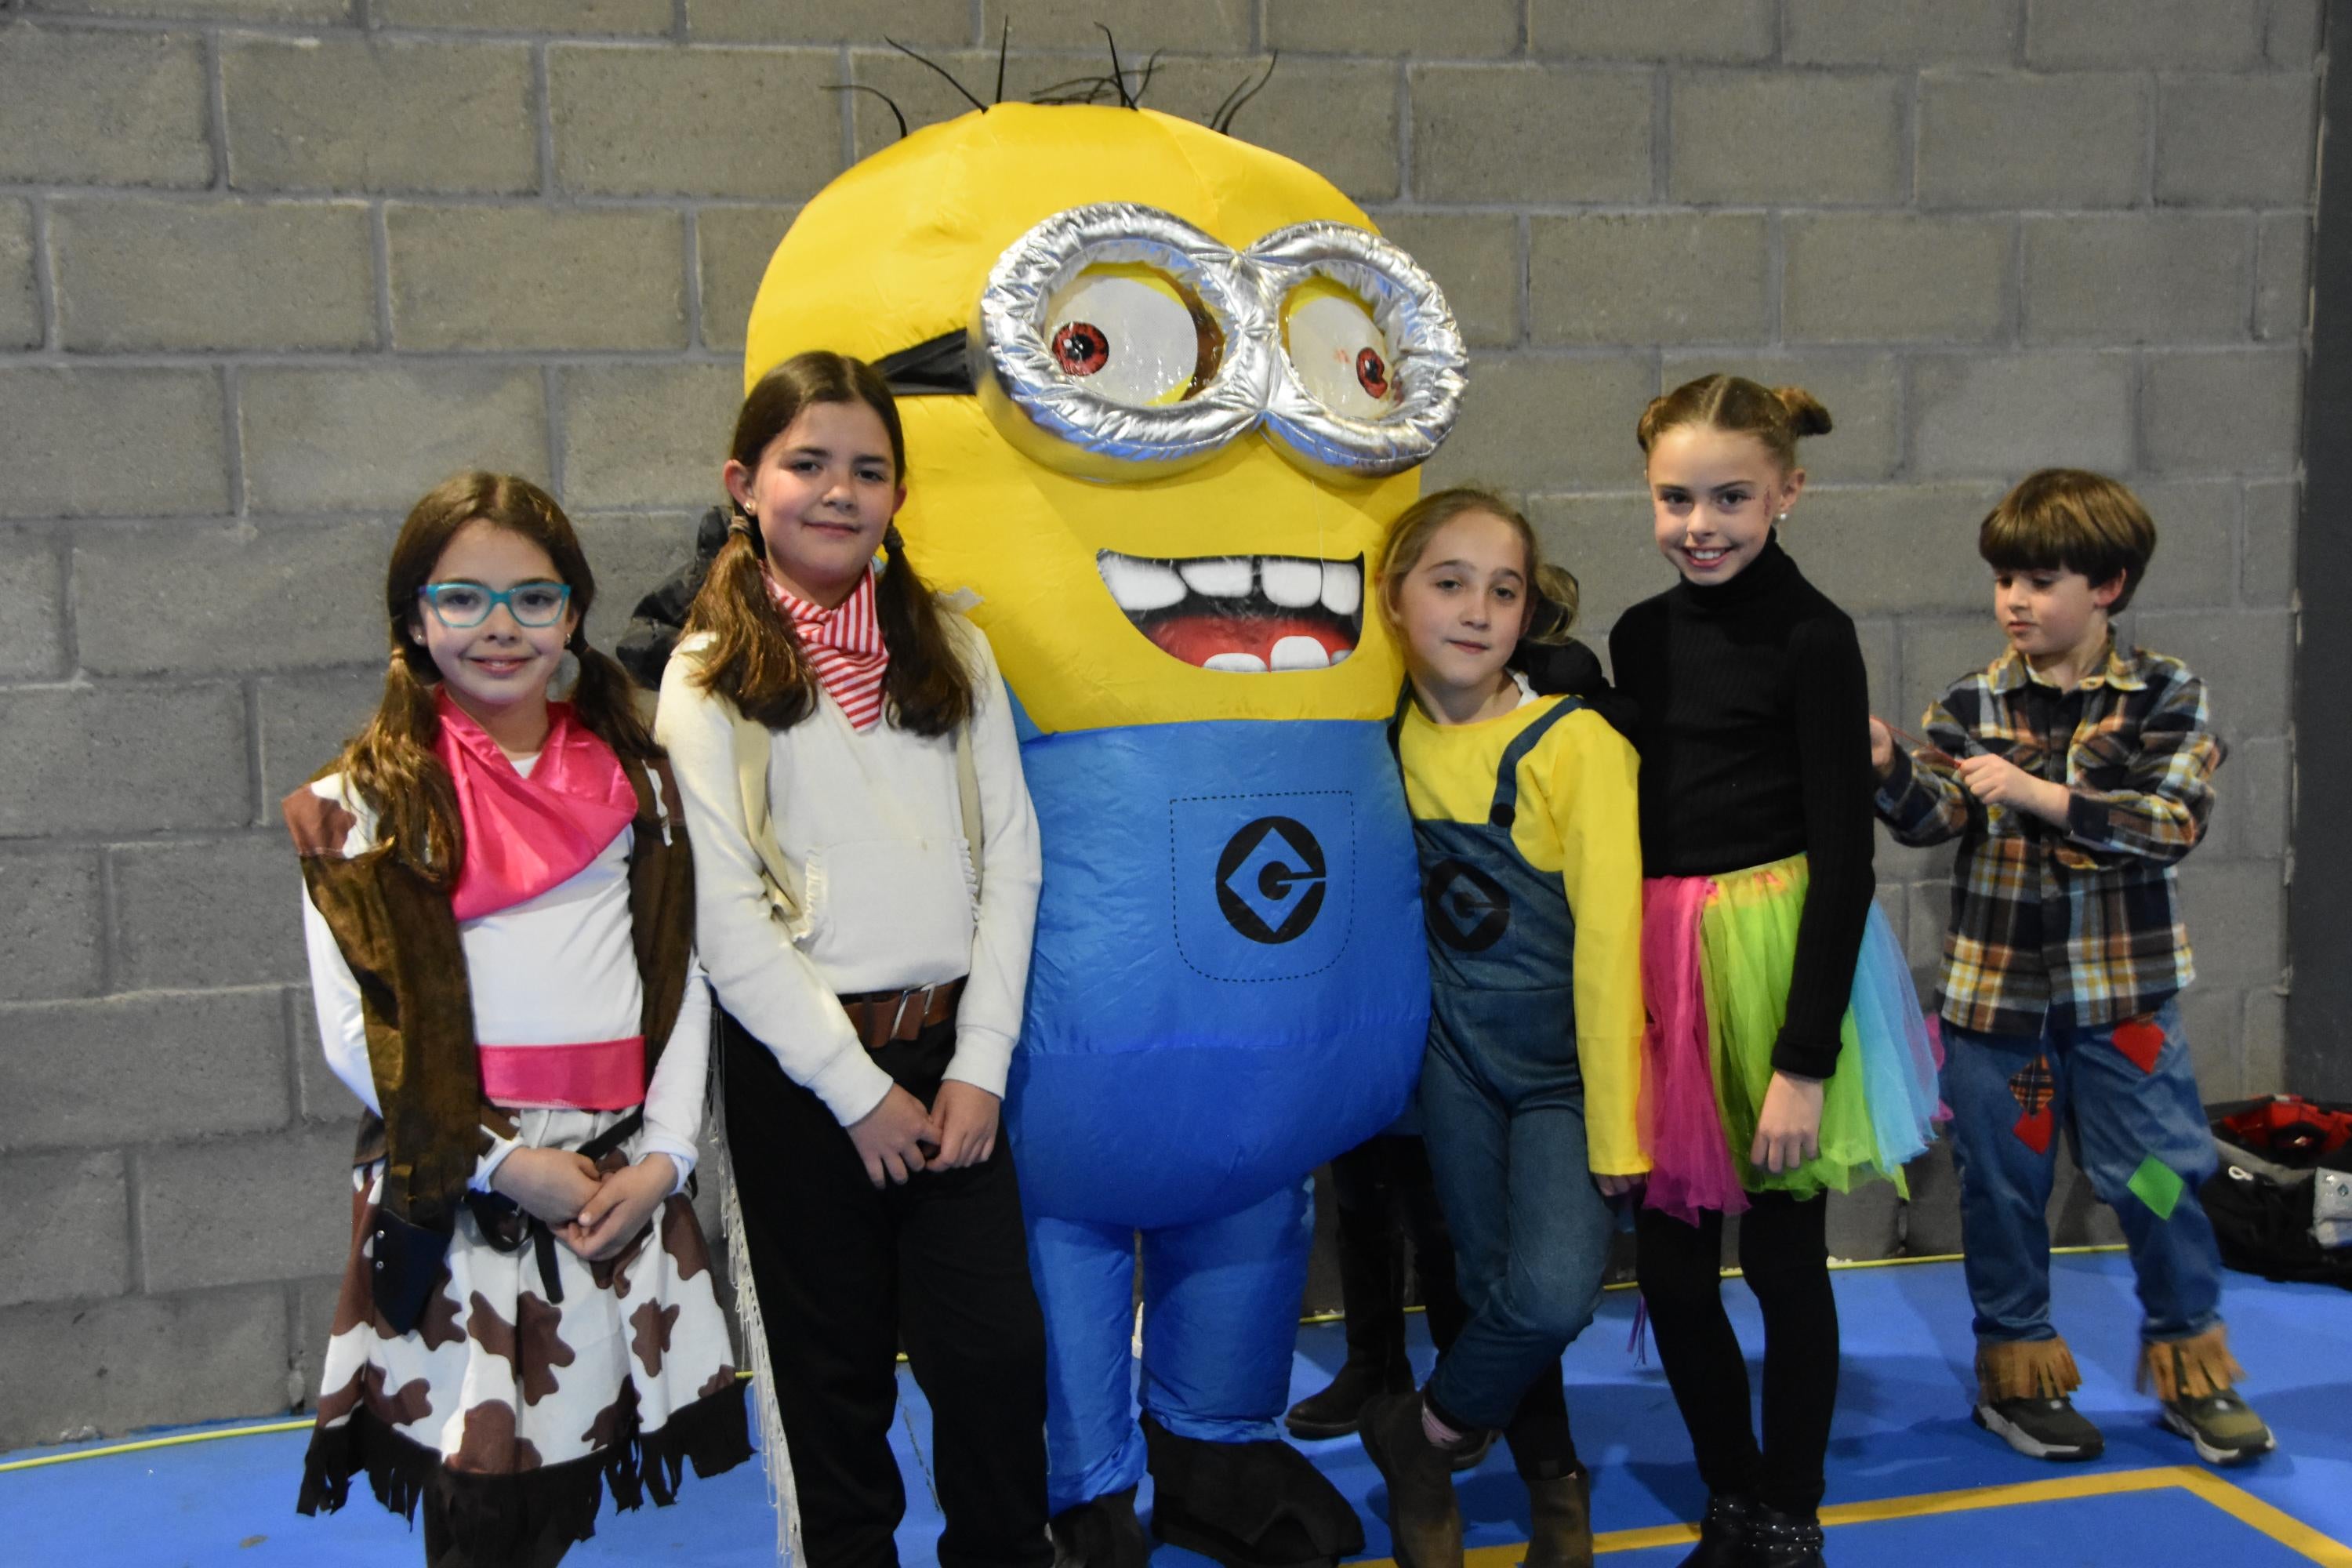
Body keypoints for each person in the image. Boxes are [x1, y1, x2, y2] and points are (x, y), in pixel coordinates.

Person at [289, 471, 750, 1567]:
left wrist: (667, 1158)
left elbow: (676, 981)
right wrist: (504, 1167)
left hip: (613, 1185)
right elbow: (359, 1034)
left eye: (534, 598)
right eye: (463, 599)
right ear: (413, 616)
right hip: (466, 1187)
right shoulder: (355, 805)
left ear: (575, 614)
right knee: (479, 1498)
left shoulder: (646, 787)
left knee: (565, 1484)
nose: (501, 628)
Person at [653, 350, 1051, 1568]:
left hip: (950, 1067)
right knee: (833, 1392)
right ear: (745, 483)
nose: (839, 492)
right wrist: (857, 1092)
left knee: (991, 1364)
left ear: (897, 494)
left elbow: (1015, 861)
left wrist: (977, 1063)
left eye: (868, 471)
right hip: (809, 1083)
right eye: (807, 464)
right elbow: (727, 923)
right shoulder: (708, 678)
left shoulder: (954, 653)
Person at [1871, 469, 2276, 1468]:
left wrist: (2041, 794)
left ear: (2109, 584)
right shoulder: (1969, 699)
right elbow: (1936, 817)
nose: (2016, 600)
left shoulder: (2167, 693)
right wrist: (1885, 766)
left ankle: (2192, 1367)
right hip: (1995, 1006)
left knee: (2157, 1180)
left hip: (2122, 1007)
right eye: (2007, 577)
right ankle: (2018, 1375)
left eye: (2042, 579)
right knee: (2004, 1188)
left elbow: (2169, 822)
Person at [1610, 377, 1939, 1568]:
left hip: (1780, 963)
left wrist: (1805, 1065)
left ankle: (1790, 1509)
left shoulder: (1816, 636)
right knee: (1673, 1273)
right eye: (1675, 498)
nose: (1702, 523)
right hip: (1665, 967)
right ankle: (1731, 1492)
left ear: (1788, 493)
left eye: (1732, 497)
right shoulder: (1639, 634)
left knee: (1785, 1262)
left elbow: (1847, 862)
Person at [1356, 487, 1648, 1568]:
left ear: (1530, 614)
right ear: (1394, 600)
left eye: (1505, 589)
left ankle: (1421, 1437)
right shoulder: (1379, 731)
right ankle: (1554, 1488)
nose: (1478, 610)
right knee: (1479, 1288)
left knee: (1553, 1294)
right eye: (1450, 582)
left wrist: (1621, 1129)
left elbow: (1615, 950)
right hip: (1452, 1063)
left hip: (1567, 1074)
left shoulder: (1579, 749)